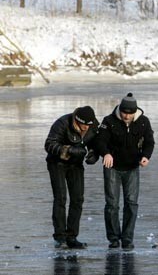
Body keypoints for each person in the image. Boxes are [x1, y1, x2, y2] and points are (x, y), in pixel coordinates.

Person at [96, 93, 155, 250]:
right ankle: (114, 238)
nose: (127, 116)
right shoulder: (109, 121)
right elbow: (100, 140)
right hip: (112, 167)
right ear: (120, 110)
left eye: (130, 113)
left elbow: (150, 142)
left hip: (132, 168)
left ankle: (127, 239)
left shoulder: (143, 122)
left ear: (135, 112)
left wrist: (146, 157)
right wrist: (106, 153)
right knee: (112, 204)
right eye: (124, 113)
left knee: (131, 203)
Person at [45, 106, 99, 249]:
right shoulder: (62, 123)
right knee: (61, 197)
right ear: (76, 120)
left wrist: (94, 153)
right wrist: (69, 150)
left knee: (77, 199)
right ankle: (60, 237)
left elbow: (96, 142)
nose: (86, 128)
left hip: (76, 164)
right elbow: (49, 144)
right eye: (84, 125)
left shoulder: (93, 124)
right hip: (57, 163)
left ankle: (72, 237)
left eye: (89, 125)